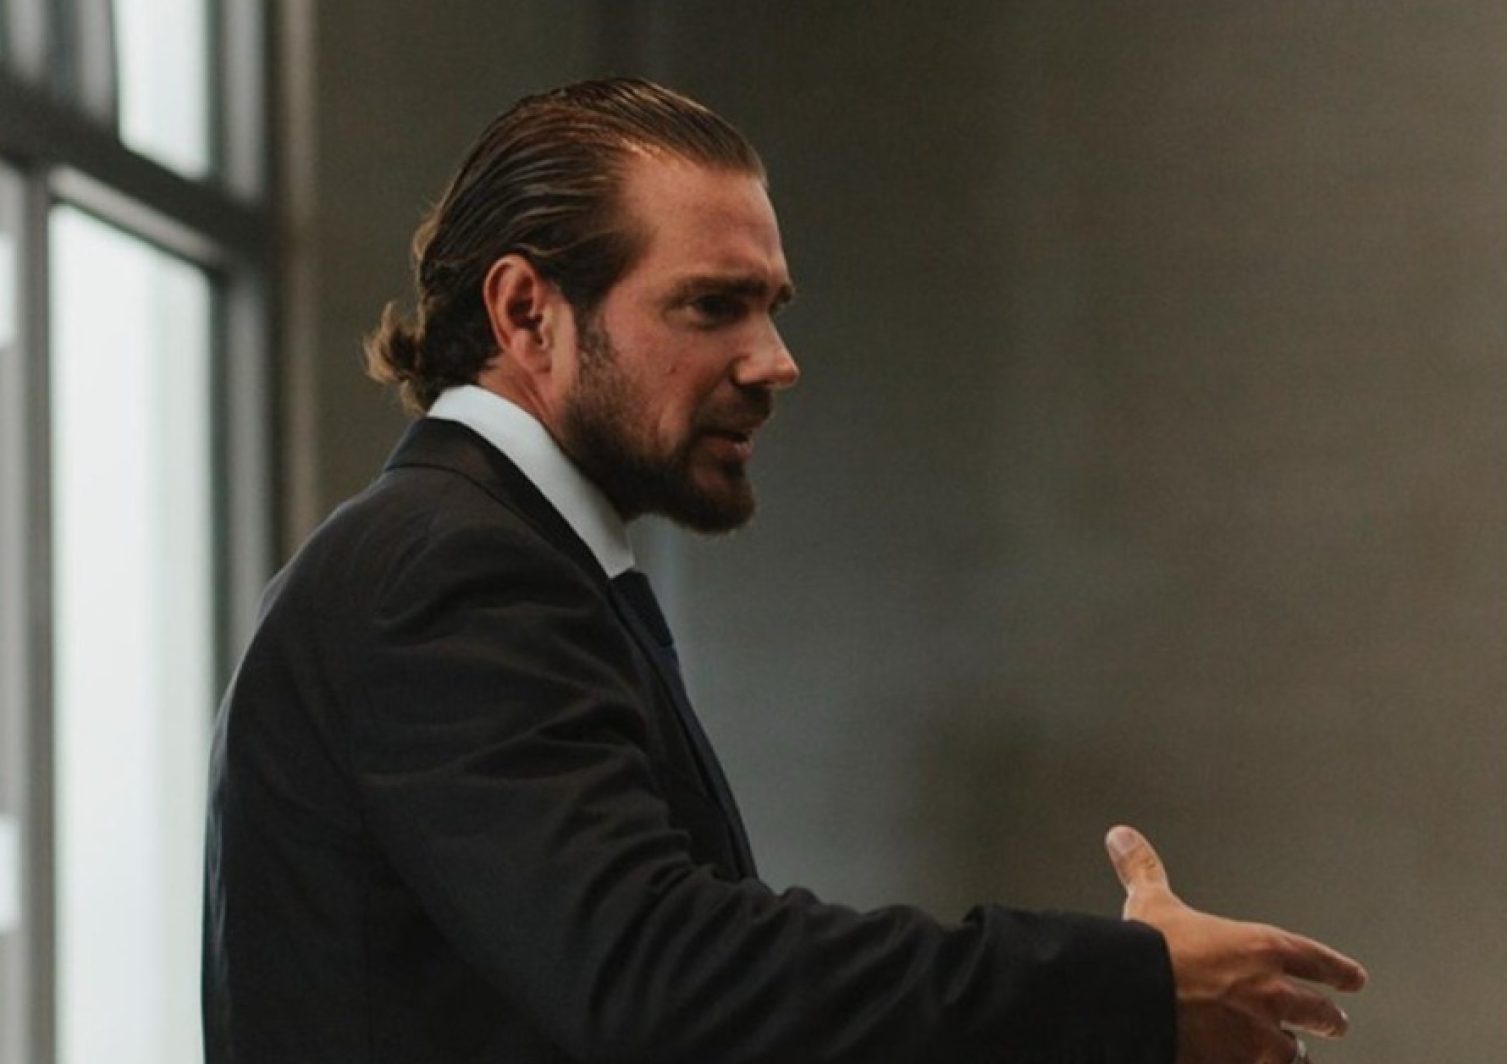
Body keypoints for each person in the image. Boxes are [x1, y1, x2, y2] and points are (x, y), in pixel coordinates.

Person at [202, 78, 1365, 1063]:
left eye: (770, 308)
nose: (774, 361)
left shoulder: (484, 557)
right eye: (713, 306)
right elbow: (664, 980)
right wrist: (1123, 988)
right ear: (526, 313)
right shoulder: (449, 569)